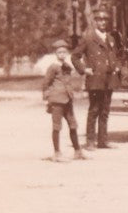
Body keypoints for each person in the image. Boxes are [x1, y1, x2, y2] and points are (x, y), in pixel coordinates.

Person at [74, 15, 118, 149]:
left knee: (105, 110)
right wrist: (84, 69)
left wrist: (117, 66)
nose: (103, 22)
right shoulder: (88, 38)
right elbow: (75, 56)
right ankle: (90, 141)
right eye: (100, 20)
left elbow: (115, 55)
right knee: (94, 110)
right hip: (95, 80)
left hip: (108, 79)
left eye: (105, 20)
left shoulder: (110, 38)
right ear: (95, 22)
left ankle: (102, 141)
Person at [41, 40, 87, 162]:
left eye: (64, 52)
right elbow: (46, 83)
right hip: (57, 100)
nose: (62, 54)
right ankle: (57, 153)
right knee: (57, 126)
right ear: (55, 53)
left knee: (73, 125)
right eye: (59, 52)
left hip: (68, 99)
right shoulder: (53, 67)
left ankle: (77, 151)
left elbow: (69, 82)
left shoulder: (67, 66)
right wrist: (47, 98)